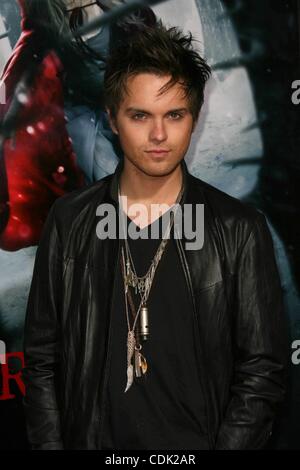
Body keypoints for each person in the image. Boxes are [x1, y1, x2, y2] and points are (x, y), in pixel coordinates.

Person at [22, 22, 288, 450]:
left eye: (175, 115)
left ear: (195, 118)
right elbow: (42, 361)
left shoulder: (238, 229)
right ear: (112, 118)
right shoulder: (70, 222)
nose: (159, 135)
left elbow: (261, 371)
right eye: (140, 115)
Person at [0, 0, 156, 250]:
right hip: (83, 121)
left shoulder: (129, 19)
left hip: (126, 111)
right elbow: (17, 83)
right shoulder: (45, 40)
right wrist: (10, 121)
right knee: (98, 156)